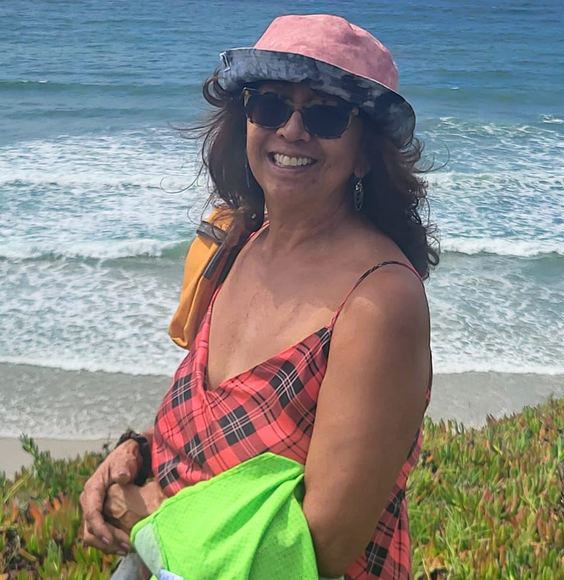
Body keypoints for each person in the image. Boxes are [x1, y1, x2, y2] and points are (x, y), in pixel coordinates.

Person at [80, 13, 438, 579]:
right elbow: (212, 430)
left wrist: (147, 516)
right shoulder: (235, 240)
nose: (292, 130)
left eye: (325, 114)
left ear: (366, 152)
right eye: (270, 105)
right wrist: (135, 454)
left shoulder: (378, 303)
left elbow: (318, 549)